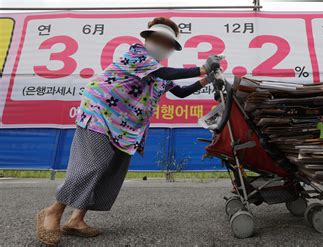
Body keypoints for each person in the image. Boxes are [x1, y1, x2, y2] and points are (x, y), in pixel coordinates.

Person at [34, 17, 221, 246]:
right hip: (100, 113)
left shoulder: (158, 71)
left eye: (167, 42)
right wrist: (202, 67)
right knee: (93, 164)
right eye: (157, 39)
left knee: (108, 170)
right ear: (147, 38)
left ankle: (76, 219)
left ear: (172, 48)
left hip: (126, 127)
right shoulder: (137, 54)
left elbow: (179, 92)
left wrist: (206, 79)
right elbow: (166, 74)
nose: (161, 45)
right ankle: (54, 211)